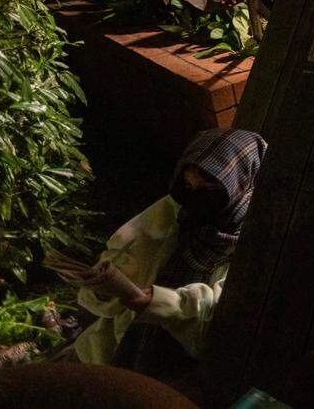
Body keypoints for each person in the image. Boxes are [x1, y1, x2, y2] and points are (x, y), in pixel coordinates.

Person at [69, 128, 266, 382]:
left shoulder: (253, 236)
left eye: (211, 188)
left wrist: (152, 301)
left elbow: (217, 321)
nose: (196, 196)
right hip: (125, 344)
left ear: (239, 185)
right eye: (188, 184)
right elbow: (129, 256)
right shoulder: (179, 209)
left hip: (189, 369)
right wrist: (105, 286)